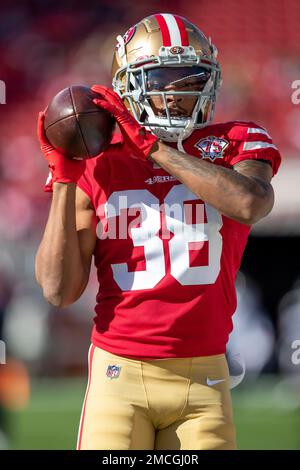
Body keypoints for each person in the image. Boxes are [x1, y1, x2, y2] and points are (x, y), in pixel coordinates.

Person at [35, 13, 281, 450]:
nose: (181, 90)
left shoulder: (235, 141)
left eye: (192, 76)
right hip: (119, 374)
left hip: (204, 377)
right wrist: (64, 179)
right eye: (164, 76)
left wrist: (155, 150)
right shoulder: (100, 160)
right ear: (129, 84)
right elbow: (58, 289)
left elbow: (249, 202)